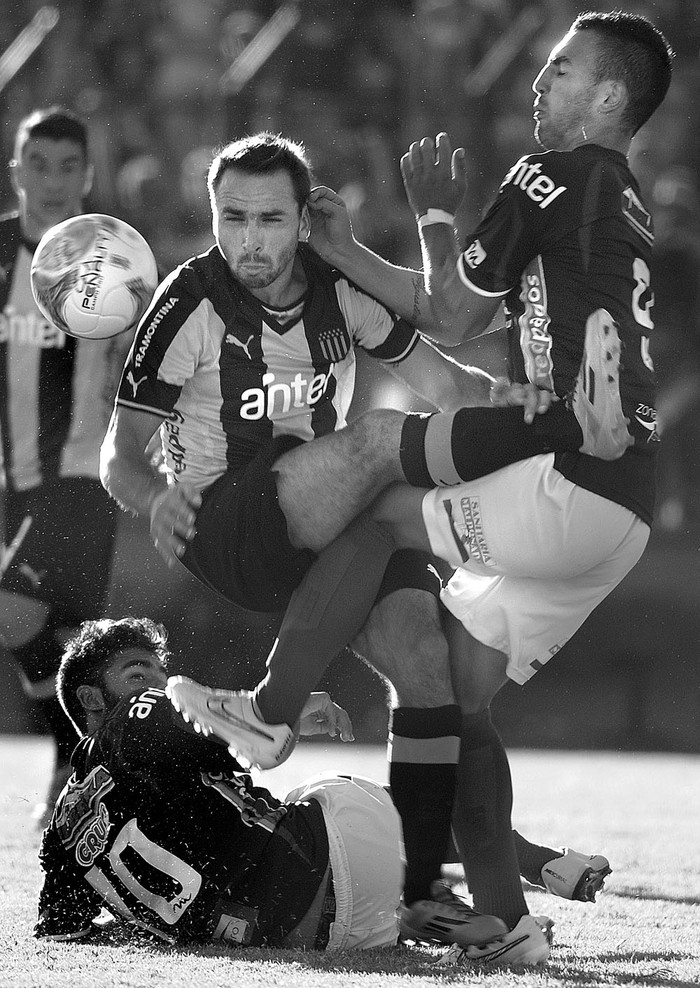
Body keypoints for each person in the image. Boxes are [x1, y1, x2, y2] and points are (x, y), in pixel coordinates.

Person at [155, 9, 672, 956]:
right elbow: (470, 327)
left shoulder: (552, 173)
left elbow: (447, 313)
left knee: (379, 506)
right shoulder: (624, 196)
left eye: (559, 71)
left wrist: (428, 213)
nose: (538, 83)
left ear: (606, 97)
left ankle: (269, 712)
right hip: (624, 506)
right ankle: (503, 922)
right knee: (453, 692)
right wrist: (355, 252)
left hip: (567, 481)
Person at [100, 130, 554, 953]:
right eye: (231, 217)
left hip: (325, 527)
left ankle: (488, 920)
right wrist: (154, 497)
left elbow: (451, 388)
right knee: (384, 439)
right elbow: (116, 454)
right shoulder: (188, 300)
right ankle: (273, 713)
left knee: (438, 679)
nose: (249, 240)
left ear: (302, 222)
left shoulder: (341, 289)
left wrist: (534, 415)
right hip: (228, 521)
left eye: (269, 219)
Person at [35, 615, 546, 963]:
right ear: (91, 698)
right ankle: (495, 886)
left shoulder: (62, 823)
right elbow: (187, 715)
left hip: (307, 936)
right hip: (333, 851)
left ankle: (448, 916)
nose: (156, 680)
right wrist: (285, 707)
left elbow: (60, 929)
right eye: (136, 671)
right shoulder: (137, 715)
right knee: (322, 793)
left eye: (157, 670)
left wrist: (144, 930)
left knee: (272, 831)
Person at [0, 106, 126, 824]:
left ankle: (81, 763)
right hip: (9, 482)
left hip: (81, 475)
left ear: (86, 174)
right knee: (75, 651)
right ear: (17, 171)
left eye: (66, 166)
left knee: (14, 615)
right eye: (37, 165)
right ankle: (81, 764)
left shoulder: (112, 259)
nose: (52, 181)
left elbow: (145, 344)